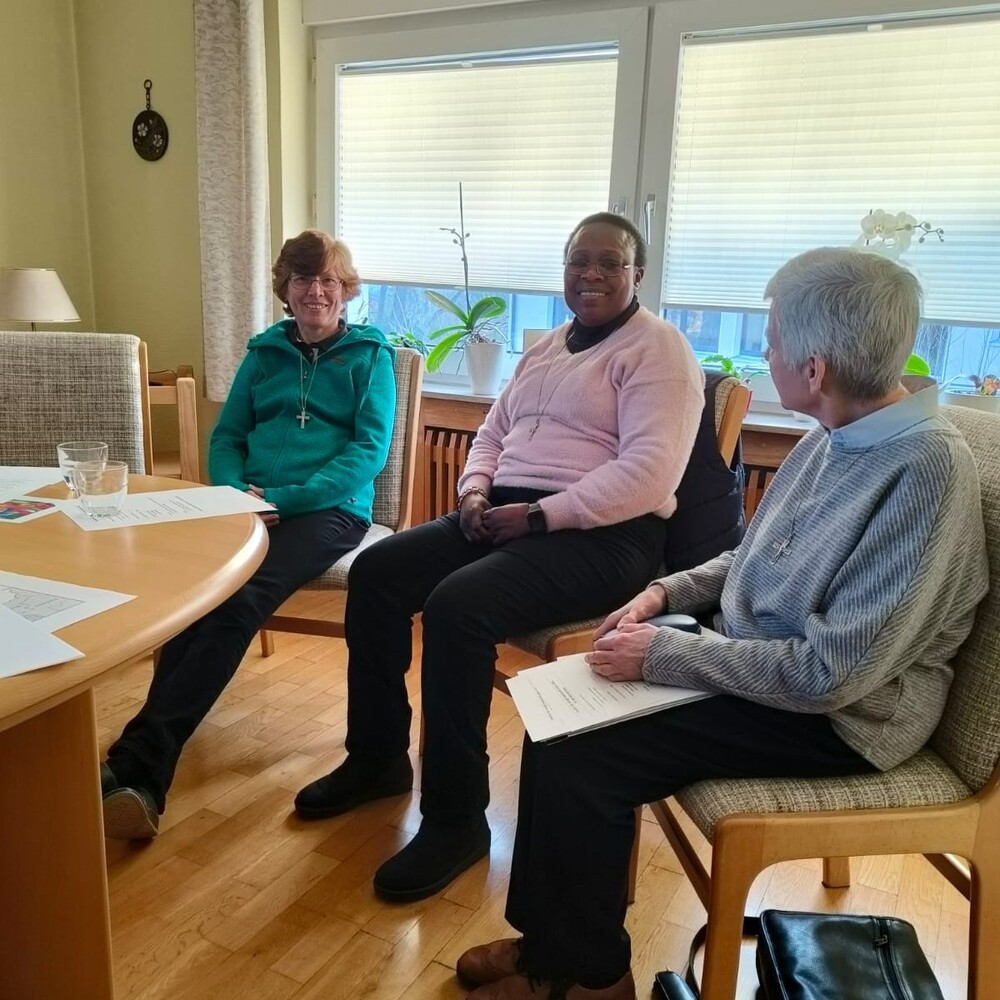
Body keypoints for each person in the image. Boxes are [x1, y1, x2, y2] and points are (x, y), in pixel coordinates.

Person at [455, 247, 990, 1000]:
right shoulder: (831, 434)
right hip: (755, 664)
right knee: (556, 724)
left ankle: (592, 979)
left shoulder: (925, 471)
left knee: (587, 762)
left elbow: (831, 676)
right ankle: (553, 946)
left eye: (770, 340)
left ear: (814, 370)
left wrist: (664, 656)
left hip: (843, 719)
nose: (760, 353)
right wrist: (661, 594)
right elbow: (748, 558)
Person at [293, 212, 706, 902]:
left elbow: (650, 474)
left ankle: (457, 822)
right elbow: (492, 432)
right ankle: (377, 760)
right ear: (564, 268)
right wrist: (475, 490)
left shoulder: (660, 351)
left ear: (639, 274)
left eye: (611, 262)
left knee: (460, 606)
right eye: (580, 261)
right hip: (508, 513)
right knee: (379, 571)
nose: (593, 274)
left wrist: (546, 514)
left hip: (605, 535)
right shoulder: (544, 347)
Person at [100, 230, 396, 839]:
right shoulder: (264, 353)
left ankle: (140, 767)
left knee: (241, 599)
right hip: (248, 503)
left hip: (329, 511)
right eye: (303, 279)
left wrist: (283, 499)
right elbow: (227, 435)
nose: (316, 291)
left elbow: (367, 453)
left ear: (345, 291)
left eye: (328, 281)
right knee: (193, 598)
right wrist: (237, 493)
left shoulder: (370, 357)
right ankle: (139, 763)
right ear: (285, 289)